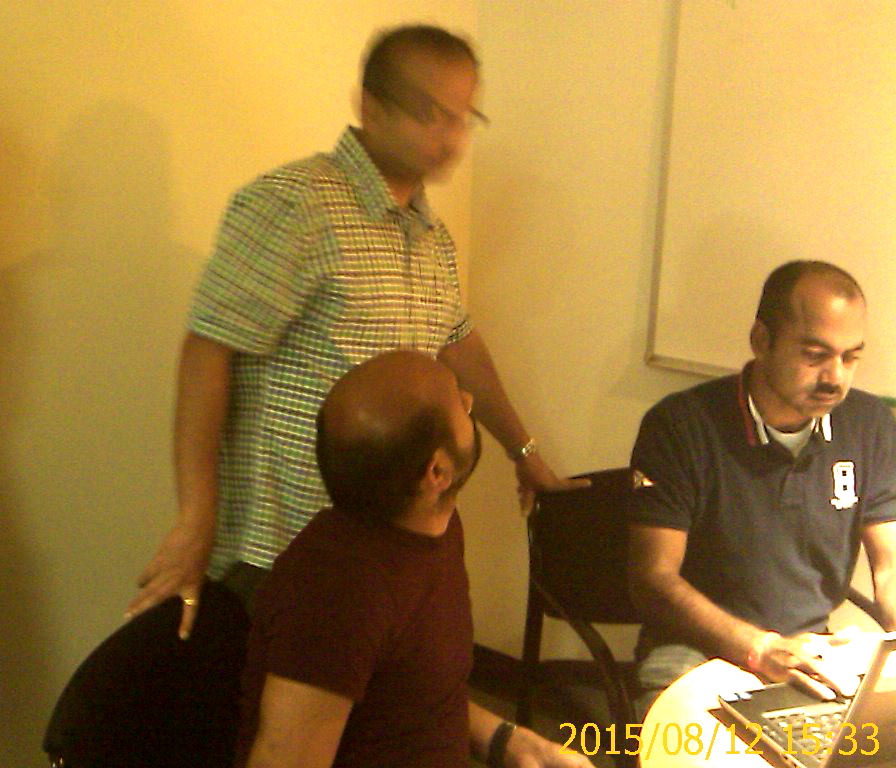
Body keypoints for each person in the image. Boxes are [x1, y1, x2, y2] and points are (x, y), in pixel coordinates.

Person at [129, 23, 582, 639]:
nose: (450, 137)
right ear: (371, 106)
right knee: (283, 699)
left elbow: (456, 341)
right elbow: (209, 349)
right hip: (286, 545)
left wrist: (523, 451)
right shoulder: (296, 205)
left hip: (387, 538)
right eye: (430, 113)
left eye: (462, 118)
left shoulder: (430, 234)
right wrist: (195, 518)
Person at [236, 350, 590, 768]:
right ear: (436, 473)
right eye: (456, 398)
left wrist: (508, 741)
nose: (469, 399)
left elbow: (413, 697)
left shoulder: (435, 526)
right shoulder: (332, 596)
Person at [627, 260, 896, 715]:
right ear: (761, 340)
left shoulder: (869, 425)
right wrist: (760, 647)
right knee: (696, 747)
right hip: (693, 648)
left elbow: (890, 566)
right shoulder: (680, 425)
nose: (835, 378)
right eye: (815, 355)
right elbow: (652, 579)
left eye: (850, 357)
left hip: (809, 649)